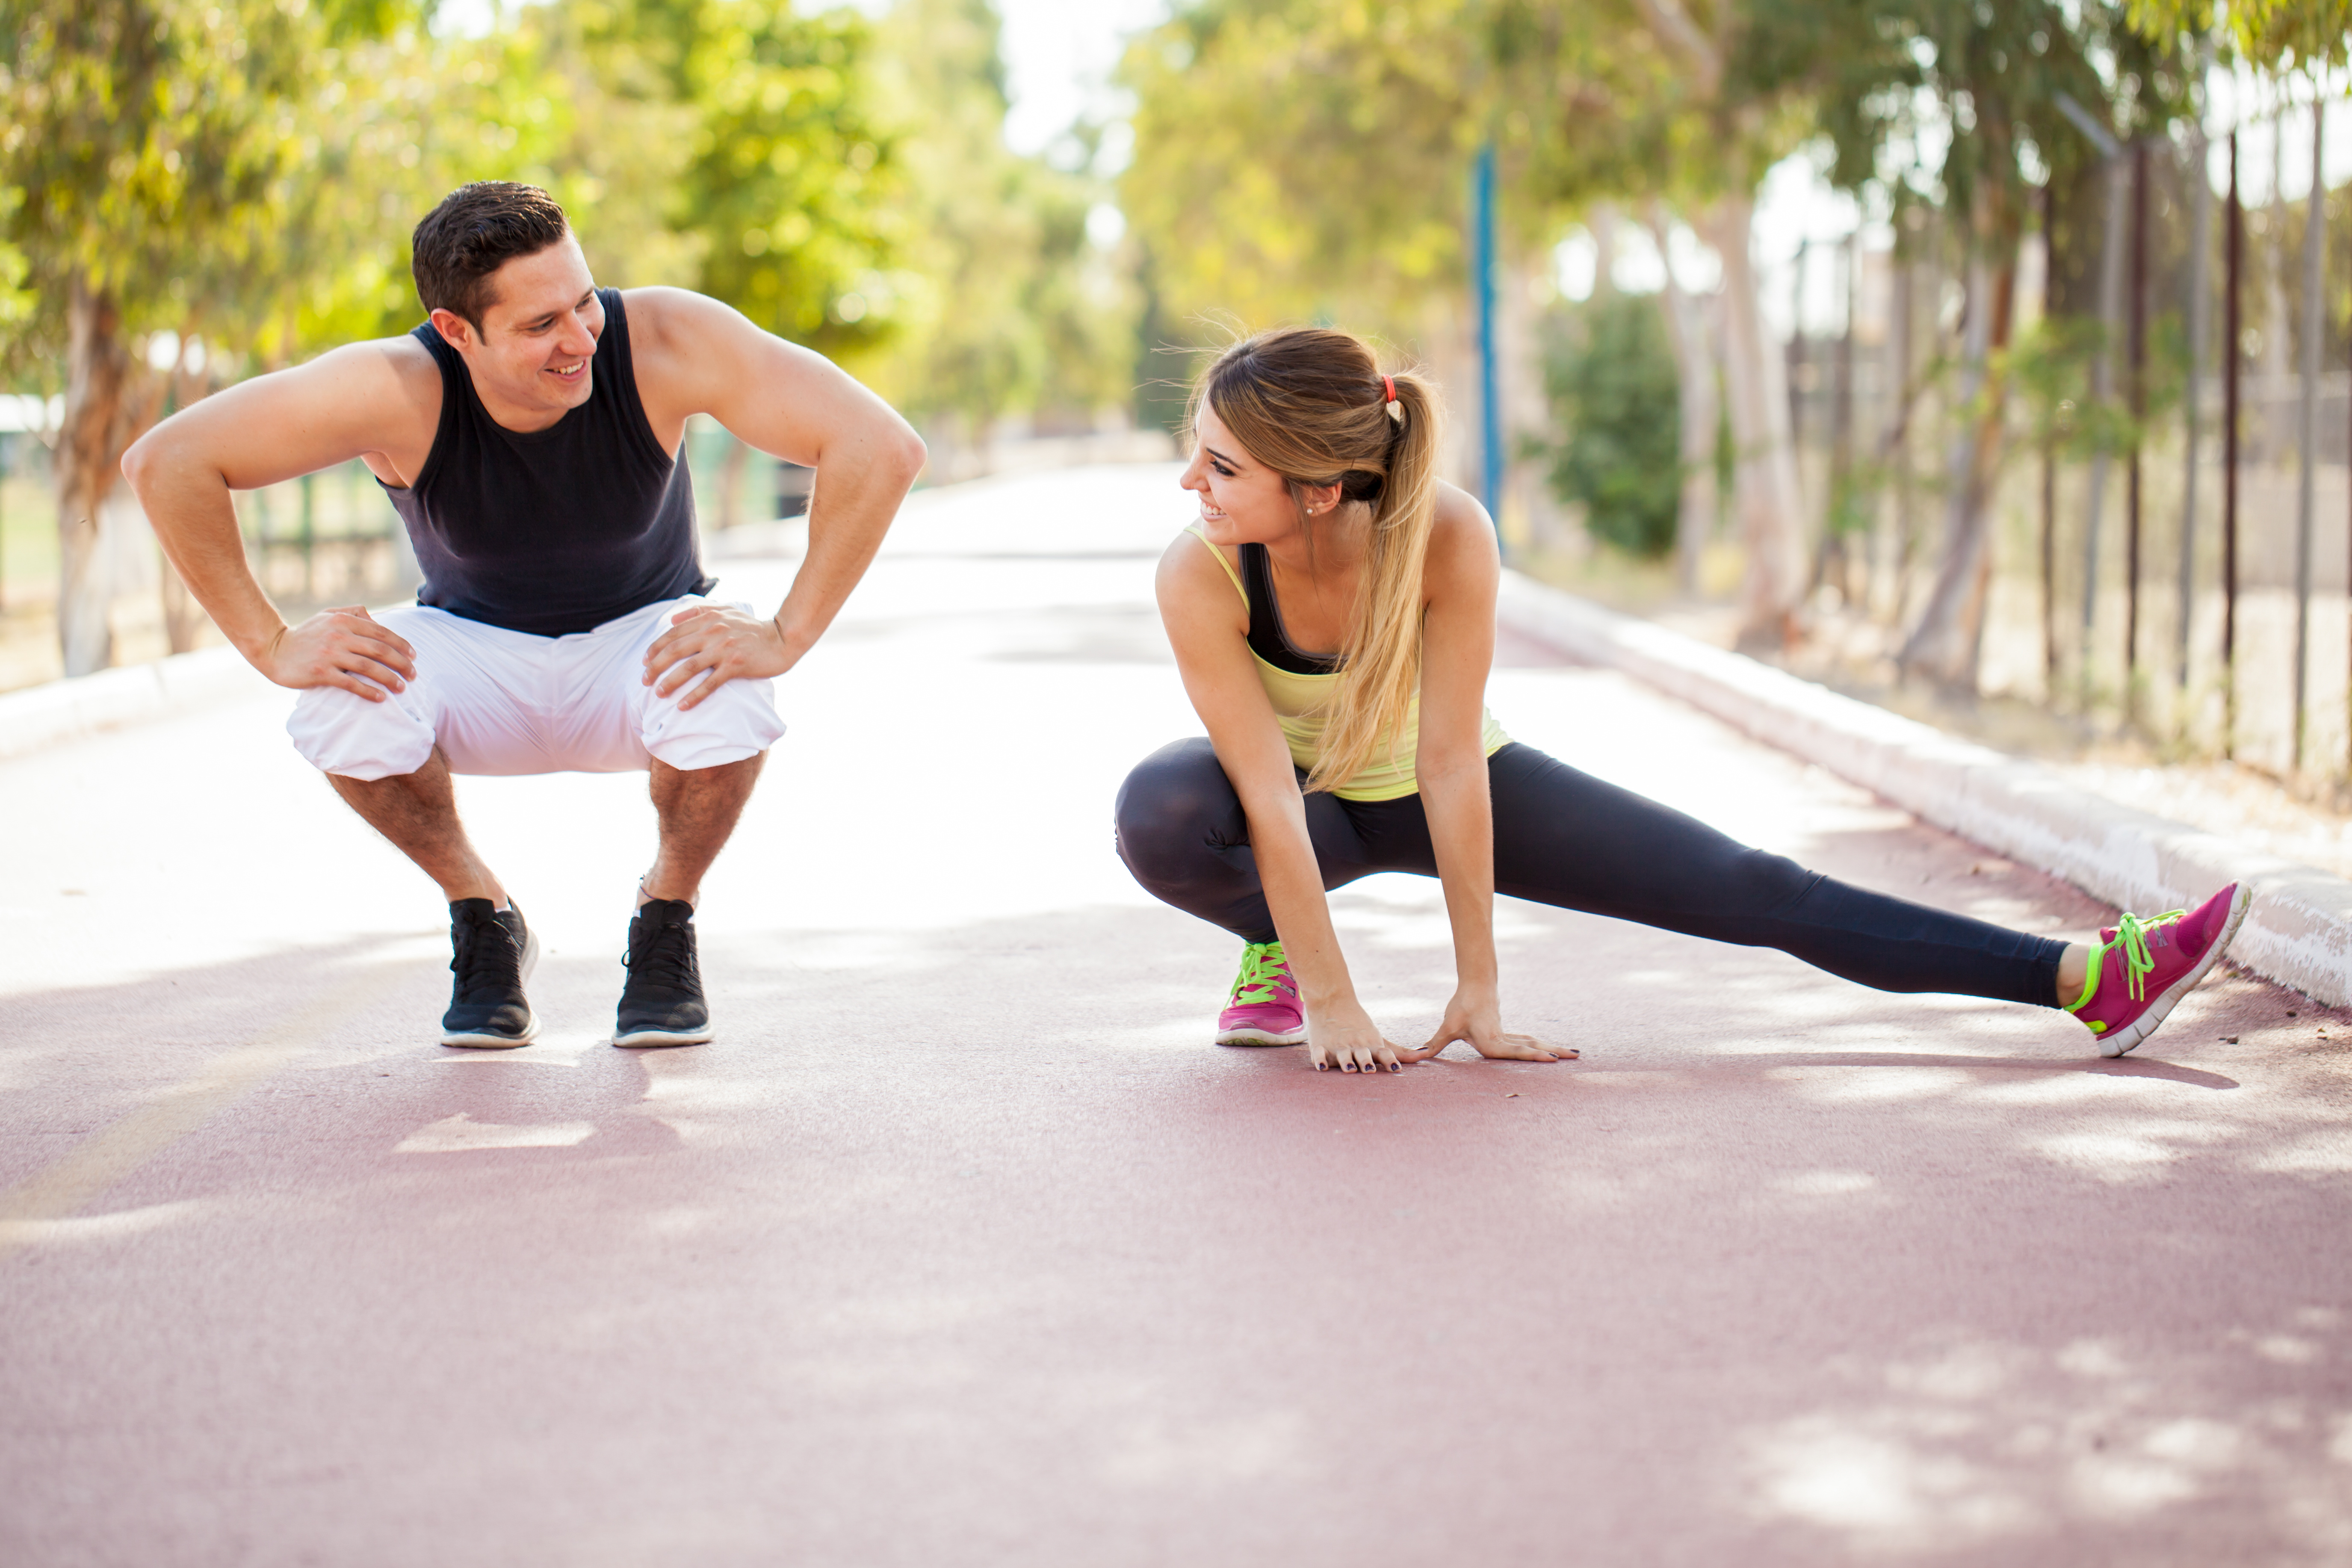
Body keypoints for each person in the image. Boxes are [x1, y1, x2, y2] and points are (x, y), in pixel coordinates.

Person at [1112, 327, 2249, 1074]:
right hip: (1299, 810)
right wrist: (1332, 997)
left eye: (1220, 466)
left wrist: (1478, 989)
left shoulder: (1445, 534)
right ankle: (1267, 939)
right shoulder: (1198, 570)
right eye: (1196, 453)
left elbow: (1453, 762)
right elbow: (1263, 788)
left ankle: (2084, 977)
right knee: (1162, 807)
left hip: (1428, 782)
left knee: (1752, 886)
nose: (1189, 482)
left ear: (1316, 491)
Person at [124, 182, 926, 1049]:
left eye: (583, 304)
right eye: (542, 325)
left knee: (726, 688)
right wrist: (271, 645)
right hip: (473, 651)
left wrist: (785, 634)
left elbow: (878, 444)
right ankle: (484, 915)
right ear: (456, 330)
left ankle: (665, 916)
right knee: (337, 703)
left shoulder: (661, 339)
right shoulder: (394, 386)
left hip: (643, 640)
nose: (580, 338)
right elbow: (169, 460)